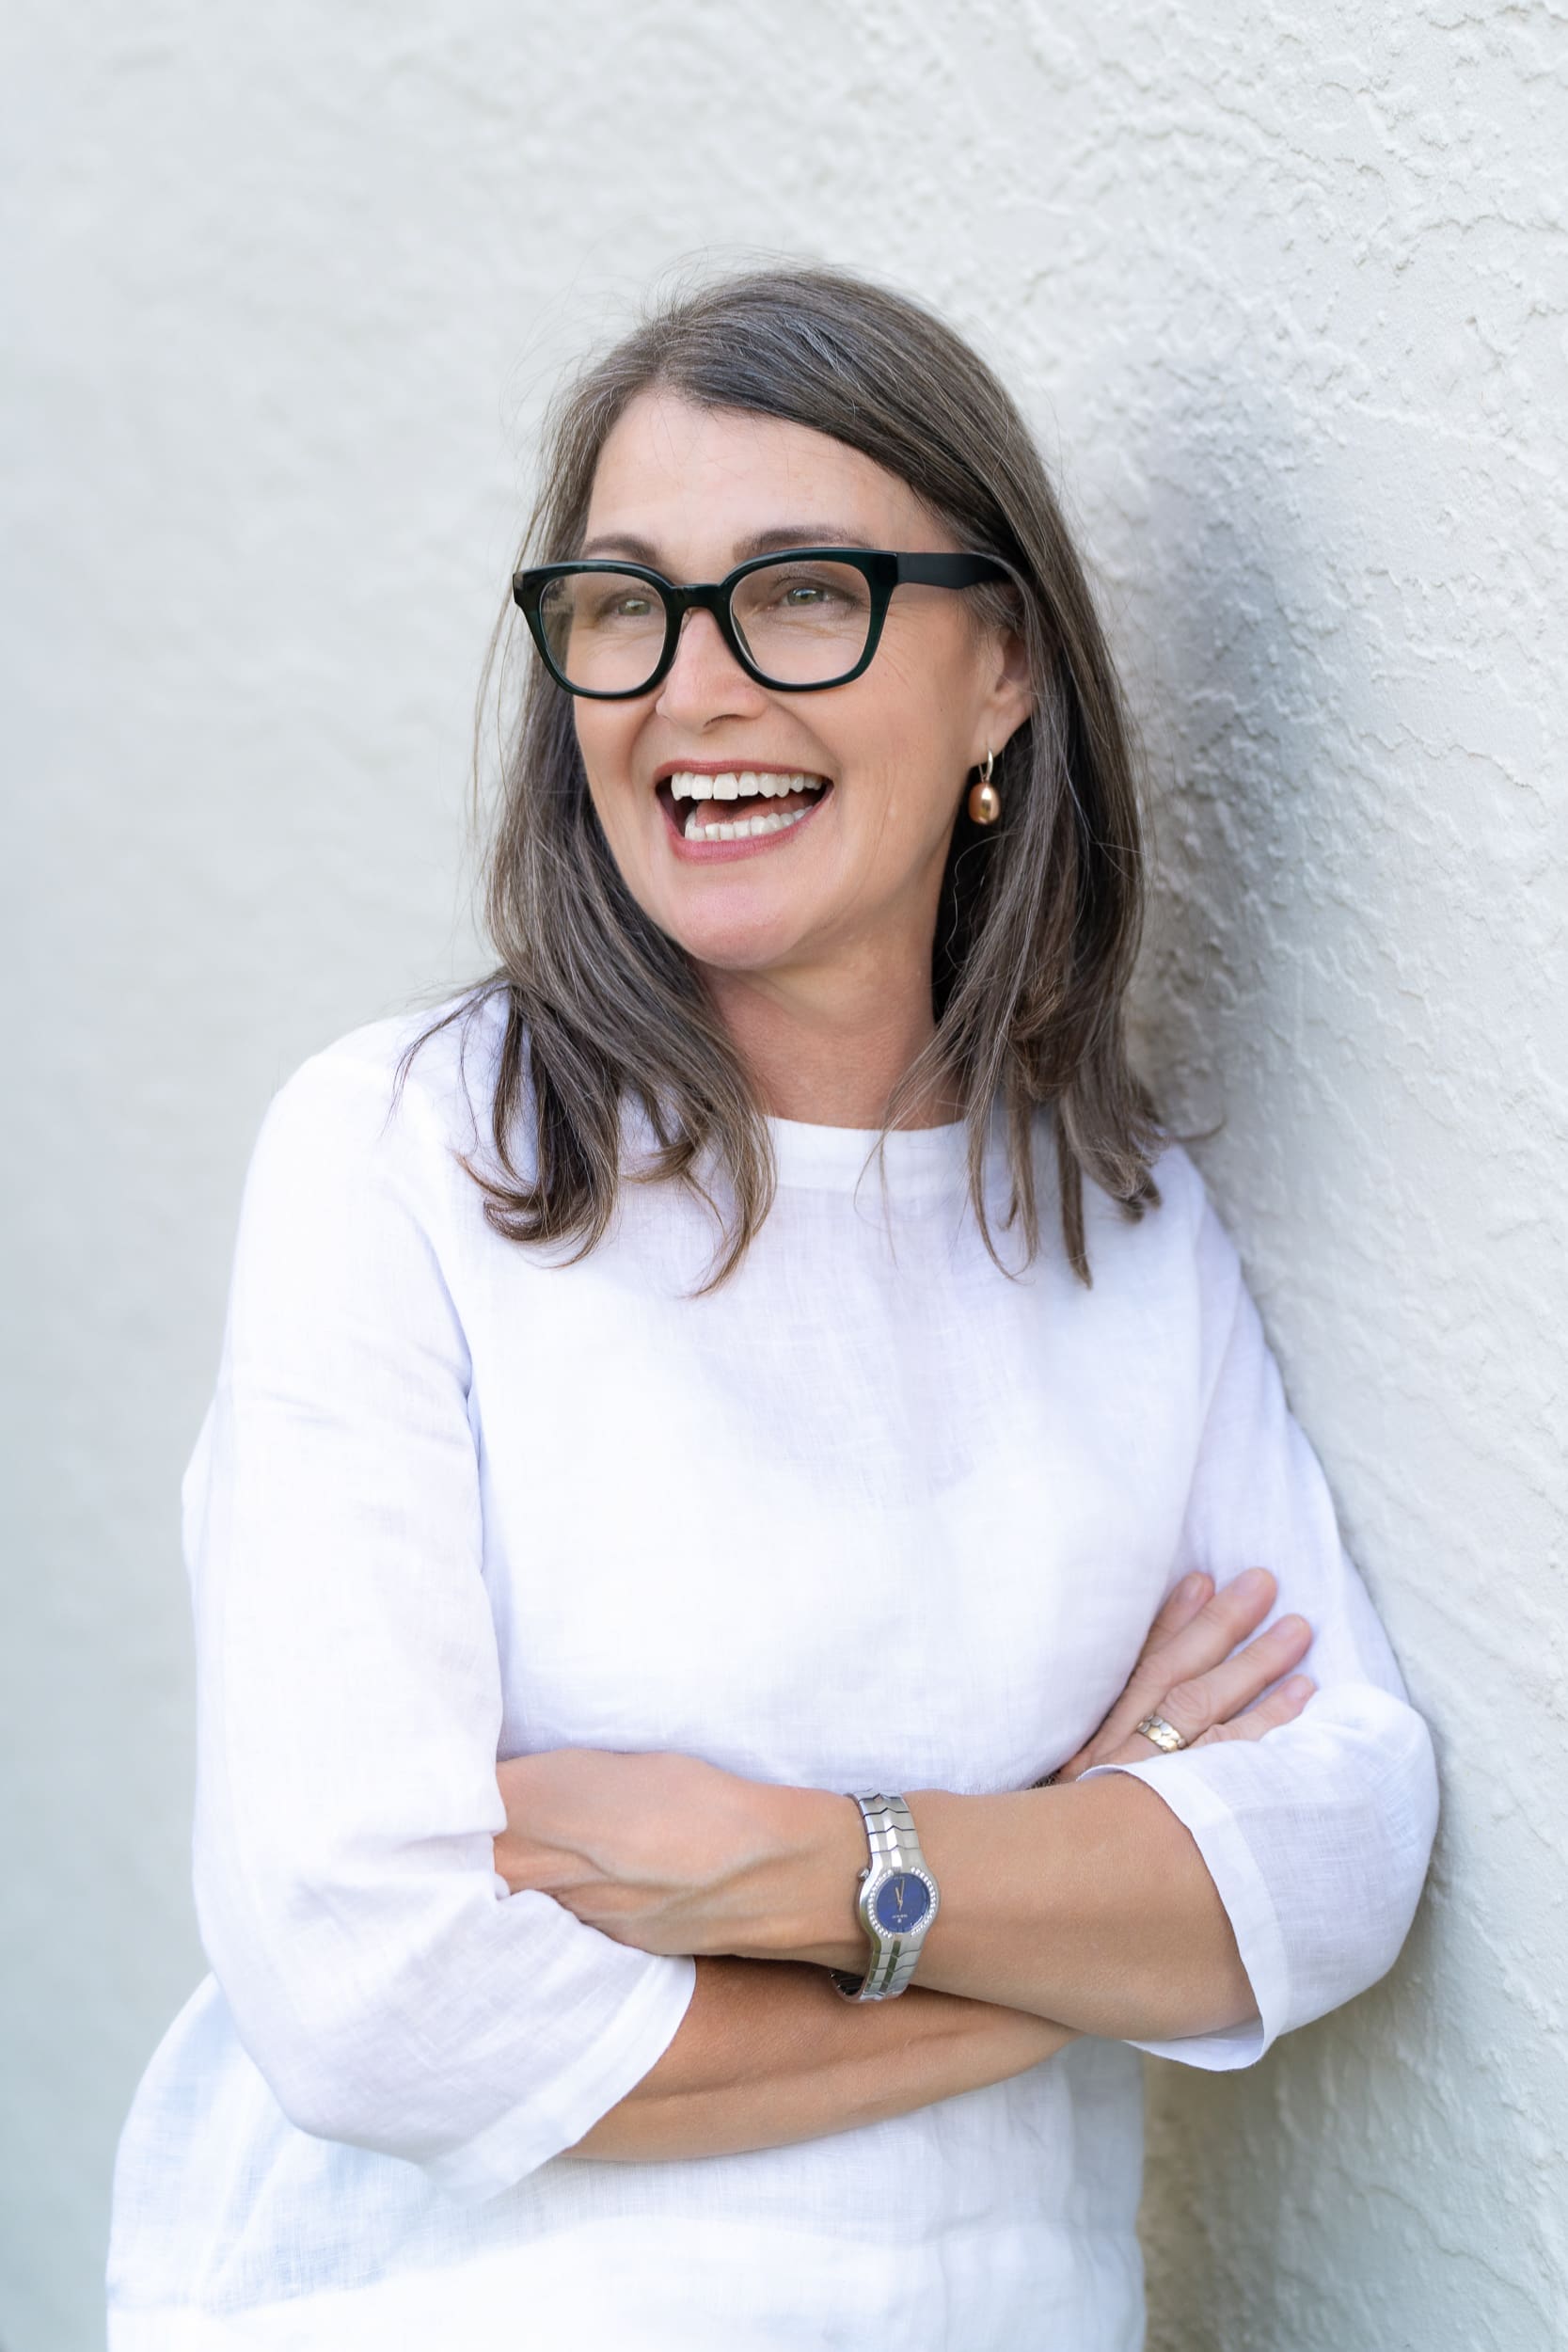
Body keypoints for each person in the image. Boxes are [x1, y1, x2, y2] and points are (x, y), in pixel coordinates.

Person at [106, 264, 1438, 2350]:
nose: (690, 688)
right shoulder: (407, 1159)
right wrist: (1063, 1896)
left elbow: (1342, 1845)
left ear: (1003, 665)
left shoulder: (1118, 1221)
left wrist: (820, 1865)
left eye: (802, 591)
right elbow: (376, 2002)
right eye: (622, 605)